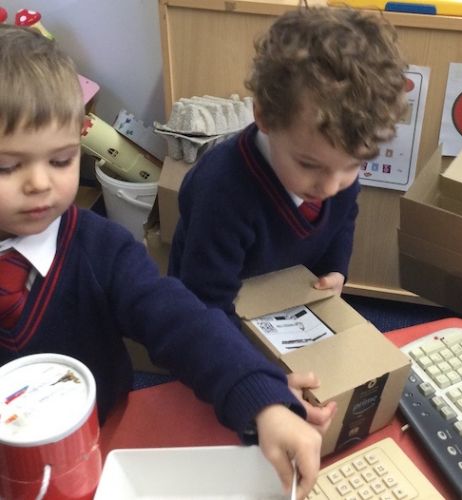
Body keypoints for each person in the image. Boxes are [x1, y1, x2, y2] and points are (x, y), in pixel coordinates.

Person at [0, 24, 324, 500]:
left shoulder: (102, 249)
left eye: (61, 160)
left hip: (105, 447)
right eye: (7, 167)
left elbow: (182, 321)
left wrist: (259, 394)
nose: (39, 184)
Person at [168, 6, 408, 324]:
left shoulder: (334, 166)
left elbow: (343, 219)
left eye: (353, 166)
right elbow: (204, 304)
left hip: (284, 302)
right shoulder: (221, 190)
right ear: (265, 117)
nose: (330, 187)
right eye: (308, 165)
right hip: (210, 309)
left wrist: (336, 269)